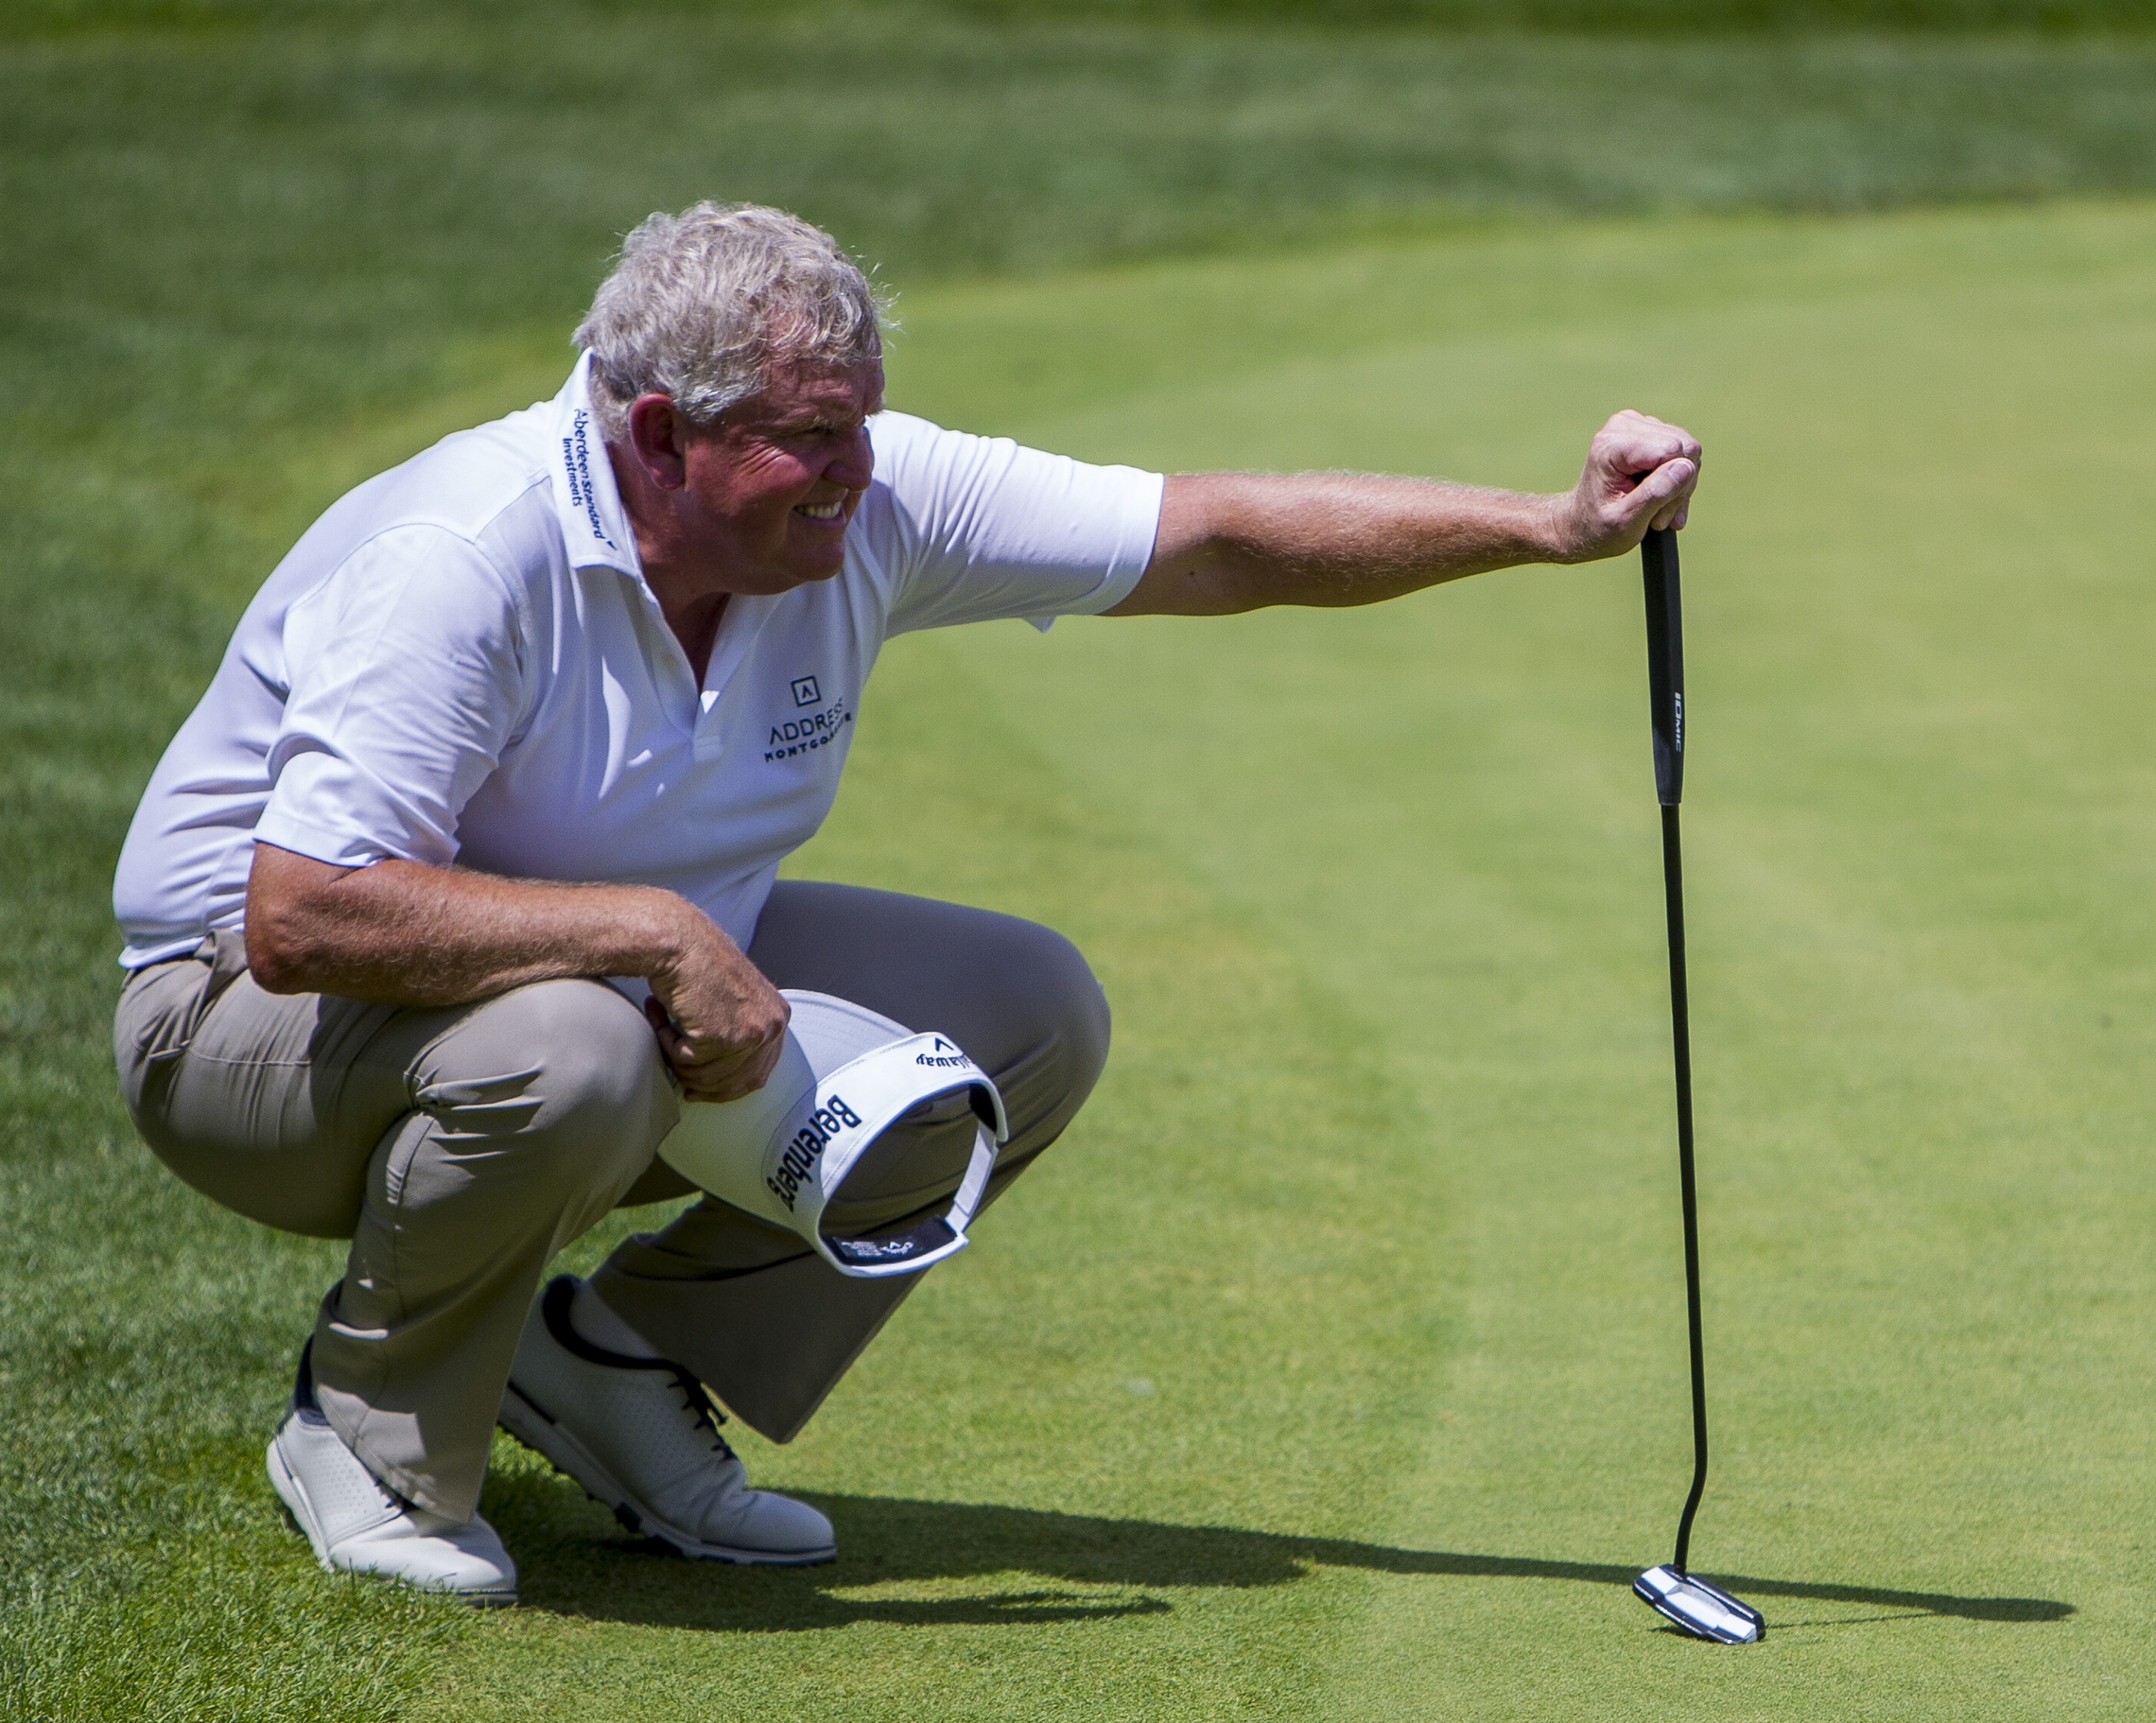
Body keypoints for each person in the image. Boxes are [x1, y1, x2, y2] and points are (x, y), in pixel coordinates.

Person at [110, 200, 1700, 1605]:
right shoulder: (462, 555)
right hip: (243, 1030)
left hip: (561, 985)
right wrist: (656, 936)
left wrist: (1550, 530)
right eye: (812, 437)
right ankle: (371, 1430)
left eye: (864, 425)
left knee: (1024, 1013)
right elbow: (304, 912)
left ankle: (610, 1367)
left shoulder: (867, 499)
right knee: (585, 1045)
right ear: (661, 437)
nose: (857, 475)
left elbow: (1212, 534)